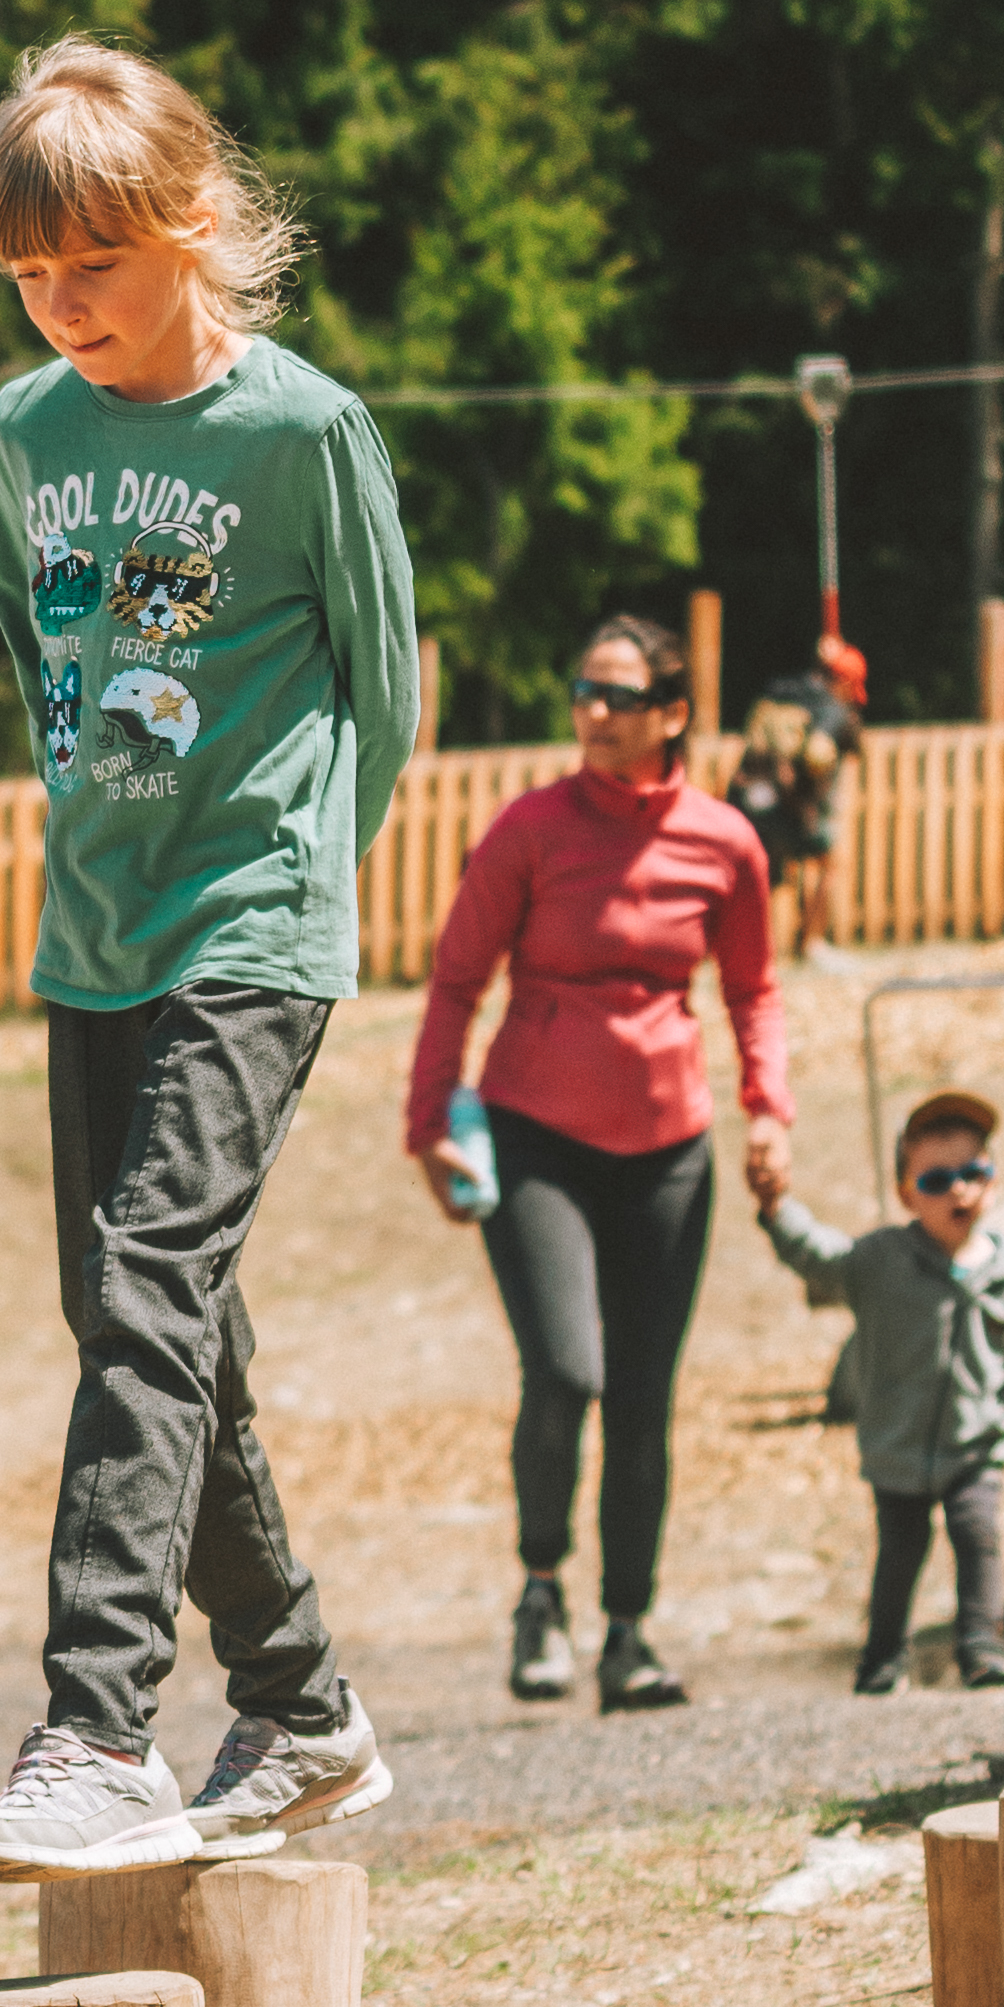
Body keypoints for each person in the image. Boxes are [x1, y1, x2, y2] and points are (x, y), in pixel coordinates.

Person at [0, 38, 420, 1879]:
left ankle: (99, 1725)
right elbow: (31, 651)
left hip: (252, 926)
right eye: (31, 275)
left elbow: (386, 691)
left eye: (96, 266)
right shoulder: (24, 432)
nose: (65, 305)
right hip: (98, 936)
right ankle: (299, 1706)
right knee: (150, 1318)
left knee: (147, 1287)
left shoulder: (303, 433)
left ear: (192, 226)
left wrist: (290, 893)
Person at [405, 611, 793, 1715]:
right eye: (583, 689)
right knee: (566, 1370)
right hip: (535, 1137)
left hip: (669, 1148)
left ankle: (628, 1629)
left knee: (641, 1397)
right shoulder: (528, 829)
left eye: (618, 695)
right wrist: (429, 1119)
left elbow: (752, 989)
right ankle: (540, 1593)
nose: (593, 711)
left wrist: (769, 1109)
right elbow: (454, 979)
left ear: (672, 714)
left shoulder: (724, 843)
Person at [759, 1088, 1004, 1694]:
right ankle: (882, 1658)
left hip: (976, 1445)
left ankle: (982, 1646)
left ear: (994, 1181)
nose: (958, 1190)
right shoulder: (881, 1262)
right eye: (936, 1180)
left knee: (978, 1536)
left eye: (973, 1173)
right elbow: (819, 1257)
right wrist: (777, 1210)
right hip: (896, 1448)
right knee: (899, 1554)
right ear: (907, 1193)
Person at [732, 637, 865, 962]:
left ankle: (760, 951)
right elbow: (818, 757)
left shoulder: (776, 693)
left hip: (748, 802)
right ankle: (812, 944)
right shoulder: (831, 710)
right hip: (789, 807)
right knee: (829, 863)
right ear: (845, 682)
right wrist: (806, 807)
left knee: (770, 874)